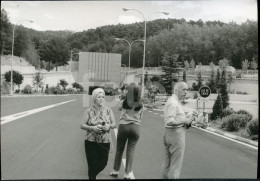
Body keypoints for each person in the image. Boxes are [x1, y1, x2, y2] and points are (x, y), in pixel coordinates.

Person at [162, 81, 198, 179]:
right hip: (176, 135)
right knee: (176, 166)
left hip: (169, 134)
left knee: (167, 164)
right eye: (183, 89)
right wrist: (185, 120)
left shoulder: (174, 100)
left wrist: (189, 115)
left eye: (187, 89)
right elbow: (169, 121)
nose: (186, 92)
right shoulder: (174, 103)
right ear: (176, 90)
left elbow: (176, 117)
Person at [81, 88, 116, 180]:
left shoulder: (108, 110)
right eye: (99, 97)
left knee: (103, 163)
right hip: (91, 142)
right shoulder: (89, 111)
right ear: (94, 99)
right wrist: (92, 128)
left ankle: (92, 176)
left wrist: (109, 126)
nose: (101, 99)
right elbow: (82, 125)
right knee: (92, 165)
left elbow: (114, 124)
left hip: (105, 142)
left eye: (103, 97)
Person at [110, 83, 143, 179]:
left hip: (124, 127)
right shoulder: (141, 104)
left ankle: (115, 171)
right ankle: (127, 173)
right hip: (135, 128)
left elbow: (118, 108)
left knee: (120, 149)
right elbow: (141, 117)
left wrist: (123, 98)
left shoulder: (125, 102)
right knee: (131, 150)